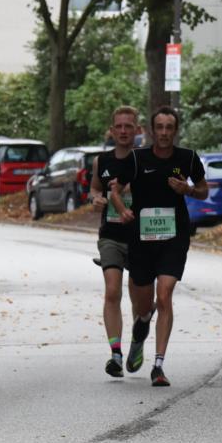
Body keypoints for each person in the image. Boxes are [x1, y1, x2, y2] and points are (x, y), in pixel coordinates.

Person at [110, 106, 208, 387]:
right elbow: (116, 189)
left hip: (174, 238)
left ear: (175, 130)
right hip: (141, 240)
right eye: (160, 127)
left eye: (169, 127)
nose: (164, 132)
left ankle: (158, 365)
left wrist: (188, 190)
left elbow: (204, 190)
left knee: (164, 296)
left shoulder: (188, 158)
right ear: (152, 131)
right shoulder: (137, 158)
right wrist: (122, 210)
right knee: (144, 306)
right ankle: (141, 325)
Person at [89, 106, 143, 378]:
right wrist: (96, 199)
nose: (123, 131)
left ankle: (137, 343)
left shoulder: (145, 159)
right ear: (111, 131)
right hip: (110, 235)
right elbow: (94, 189)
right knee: (112, 291)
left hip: (141, 237)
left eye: (128, 126)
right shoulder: (102, 161)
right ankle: (116, 353)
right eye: (118, 126)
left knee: (140, 300)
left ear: (137, 130)